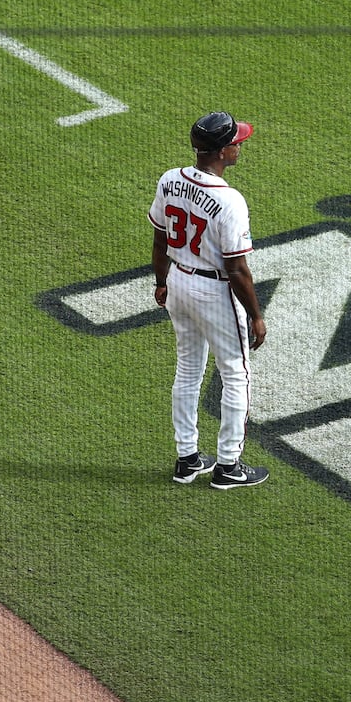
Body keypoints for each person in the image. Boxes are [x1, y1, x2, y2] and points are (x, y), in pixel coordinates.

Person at [149, 111, 269, 489]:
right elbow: (236, 269)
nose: (240, 147)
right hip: (213, 290)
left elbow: (159, 239)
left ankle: (187, 459)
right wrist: (256, 315)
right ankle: (228, 466)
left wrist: (162, 282)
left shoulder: (171, 179)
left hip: (178, 282)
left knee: (188, 369)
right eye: (236, 142)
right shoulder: (229, 200)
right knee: (236, 373)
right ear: (221, 151)